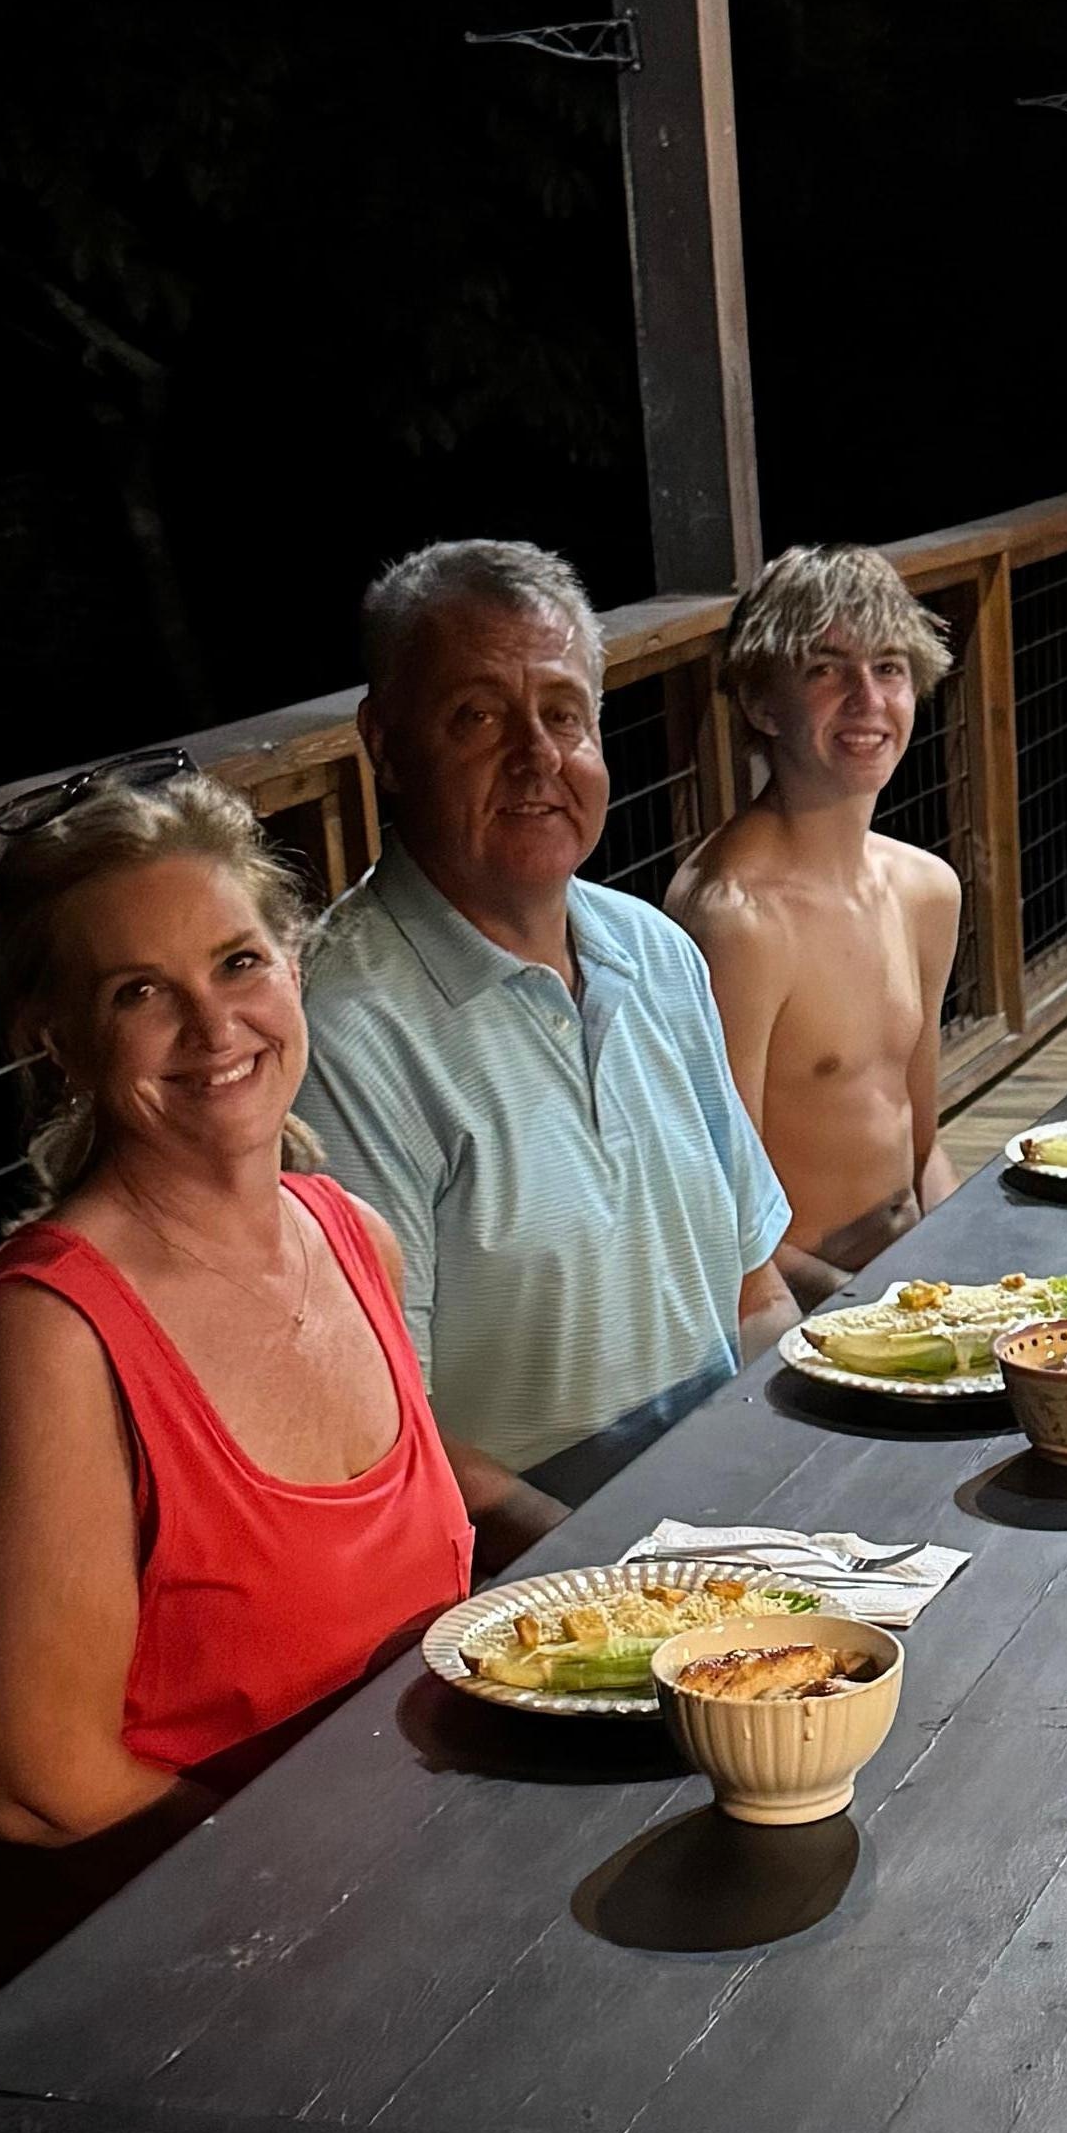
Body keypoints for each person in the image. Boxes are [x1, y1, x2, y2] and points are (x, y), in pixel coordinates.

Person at [0, 766, 473, 2000]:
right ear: (56, 1037)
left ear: (294, 963)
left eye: (238, 963)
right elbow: (41, 1785)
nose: (214, 1027)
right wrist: (357, 1918)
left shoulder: (352, 1239)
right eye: (140, 992)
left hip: (384, 1916)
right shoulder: (51, 1338)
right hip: (158, 1986)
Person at [296, 539, 798, 1554]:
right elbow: (395, 1437)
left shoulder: (655, 950)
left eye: (564, 714)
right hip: (526, 1570)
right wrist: (624, 1565)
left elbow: (757, 1288)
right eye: (478, 717)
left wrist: (802, 1474)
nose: (536, 756)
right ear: (386, 746)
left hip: (719, 1495)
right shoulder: (337, 1027)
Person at [666, 549, 964, 1293]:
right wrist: (875, 1312)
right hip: (799, 1311)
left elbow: (923, 1151)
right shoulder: (736, 920)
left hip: (914, 1276)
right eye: (827, 670)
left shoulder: (927, 890)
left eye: (890, 668)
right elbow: (719, 1214)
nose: (868, 699)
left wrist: (978, 1276)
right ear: (764, 704)